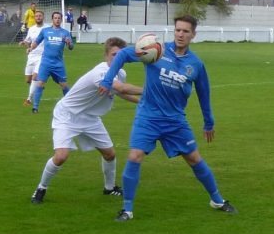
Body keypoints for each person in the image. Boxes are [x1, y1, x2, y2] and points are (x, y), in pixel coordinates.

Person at [99, 15, 237, 222]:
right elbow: (123, 55)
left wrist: (209, 122)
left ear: (193, 35)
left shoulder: (196, 64)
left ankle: (217, 200)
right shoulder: (157, 50)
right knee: (135, 156)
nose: (180, 34)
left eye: (185, 31)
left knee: (194, 159)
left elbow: (204, 94)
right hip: (148, 116)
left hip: (175, 121)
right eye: (178, 30)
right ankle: (127, 210)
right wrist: (108, 78)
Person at [31, 37, 143, 204]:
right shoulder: (100, 72)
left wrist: (144, 101)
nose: (116, 58)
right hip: (67, 115)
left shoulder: (121, 73)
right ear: (106, 56)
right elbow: (120, 88)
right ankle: (41, 188)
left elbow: (119, 92)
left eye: (120, 55)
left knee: (110, 154)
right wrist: (150, 91)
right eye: (113, 54)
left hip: (90, 118)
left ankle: (109, 188)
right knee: (61, 156)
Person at [28, 11, 73, 113]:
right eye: (55, 18)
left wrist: (69, 43)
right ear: (52, 19)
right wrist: (31, 48)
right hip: (46, 63)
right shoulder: (45, 31)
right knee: (40, 84)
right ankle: (35, 107)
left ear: (61, 20)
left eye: (59, 18)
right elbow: (36, 42)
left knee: (64, 85)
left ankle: (71, 105)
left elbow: (71, 47)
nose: (57, 20)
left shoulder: (65, 33)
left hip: (58, 64)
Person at [19, 10, 47, 106]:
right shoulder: (31, 29)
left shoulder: (47, 28)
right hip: (31, 56)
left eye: (40, 16)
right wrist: (24, 43)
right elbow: (28, 41)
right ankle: (39, 85)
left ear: (43, 17)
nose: (38, 17)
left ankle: (29, 99)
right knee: (28, 80)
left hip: (42, 56)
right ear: (34, 18)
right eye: (36, 16)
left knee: (35, 77)